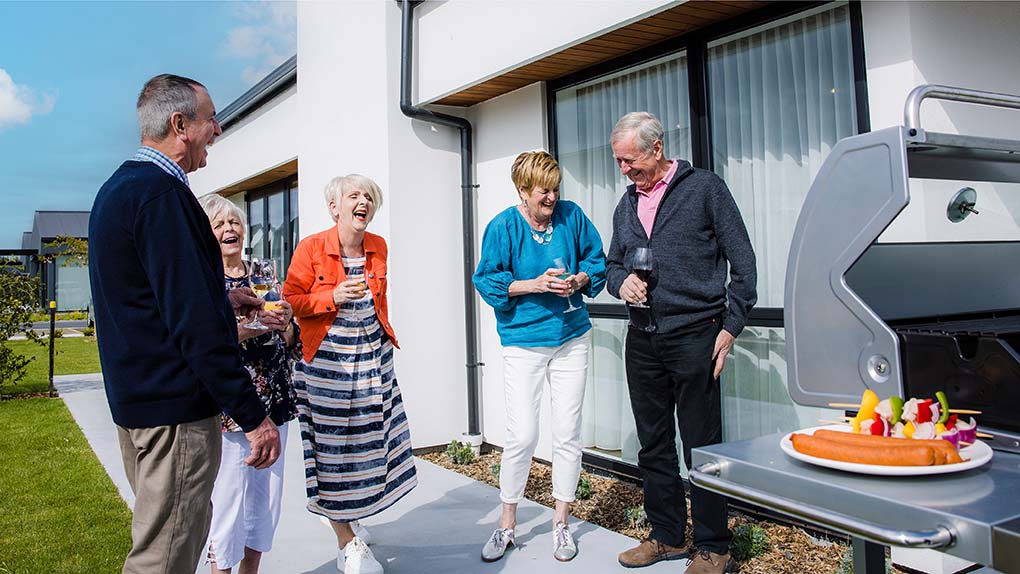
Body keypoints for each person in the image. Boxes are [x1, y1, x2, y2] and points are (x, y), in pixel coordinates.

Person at [88, 74, 280, 574]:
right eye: (211, 118)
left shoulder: (119, 189)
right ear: (180, 125)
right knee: (166, 556)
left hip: (139, 404)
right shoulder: (163, 196)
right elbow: (193, 325)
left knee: (174, 536)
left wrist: (222, 298)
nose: (217, 128)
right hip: (173, 414)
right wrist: (253, 416)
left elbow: (149, 301)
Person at [607, 112, 756, 574]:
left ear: (657, 149)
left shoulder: (705, 188)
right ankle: (667, 536)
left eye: (630, 160)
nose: (624, 170)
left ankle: (715, 548)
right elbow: (612, 264)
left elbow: (743, 263)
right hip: (643, 338)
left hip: (697, 335)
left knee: (702, 446)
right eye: (618, 162)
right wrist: (621, 284)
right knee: (653, 444)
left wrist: (730, 327)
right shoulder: (626, 204)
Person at [473, 151, 607, 563]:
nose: (551, 197)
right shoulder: (503, 226)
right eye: (542, 191)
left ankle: (561, 522)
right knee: (523, 435)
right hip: (524, 342)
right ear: (522, 190)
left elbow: (595, 260)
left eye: (554, 188)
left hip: (571, 338)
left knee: (567, 432)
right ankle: (507, 523)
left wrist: (580, 279)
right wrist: (534, 284)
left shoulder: (572, 215)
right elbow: (487, 279)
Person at [283, 174, 417, 574]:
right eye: (354, 196)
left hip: (372, 359)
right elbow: (290, 299)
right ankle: (346, 540)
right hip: (327, 364)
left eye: (369, 197)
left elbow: (379, 302)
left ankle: (353, 511)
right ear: (334, 207)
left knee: (374, 441)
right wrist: (333, 296)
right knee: (333, 449)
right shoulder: (311, 247)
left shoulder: (378, 247)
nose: (363, 202)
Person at [198, 194, 300, 574]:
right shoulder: (204, 280)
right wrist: (248, 329)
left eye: (235, 223)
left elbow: (290, 335)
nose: (230, 230)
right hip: (229, 405)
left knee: (265, 500)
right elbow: (205, 340)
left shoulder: (264, 270)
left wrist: (286, 323)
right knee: (227, 501)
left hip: (275, 399)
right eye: (220, 224)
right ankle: (220, 569)